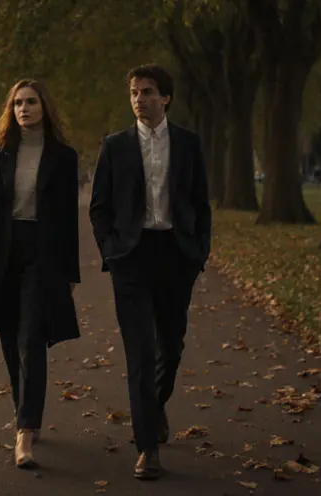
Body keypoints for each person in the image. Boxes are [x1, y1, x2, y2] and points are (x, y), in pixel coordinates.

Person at [89, 64, 211, 481]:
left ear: (166, 98)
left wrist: (199, 254)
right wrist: (111, 251)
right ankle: (147, 448)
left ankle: (154, 404)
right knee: (140, 353)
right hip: (132, 259)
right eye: (134, 92)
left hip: (176, 256)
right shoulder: (115, 146)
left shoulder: (189, 145)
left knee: (170, 348)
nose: (139, 98)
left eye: (148, 91)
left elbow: (200, 203)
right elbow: (99, 207)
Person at [0, 79, 81, 469]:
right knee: (11, 341)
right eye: (17, 104)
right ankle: (24, 411)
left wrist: (70, 272)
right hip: (2, 255)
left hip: (41, 255)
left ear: (45, 106)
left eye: (30, 102)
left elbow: (66, 219)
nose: (23, 109)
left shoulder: (63, 156)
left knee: (32, 339)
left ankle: (25, 433)